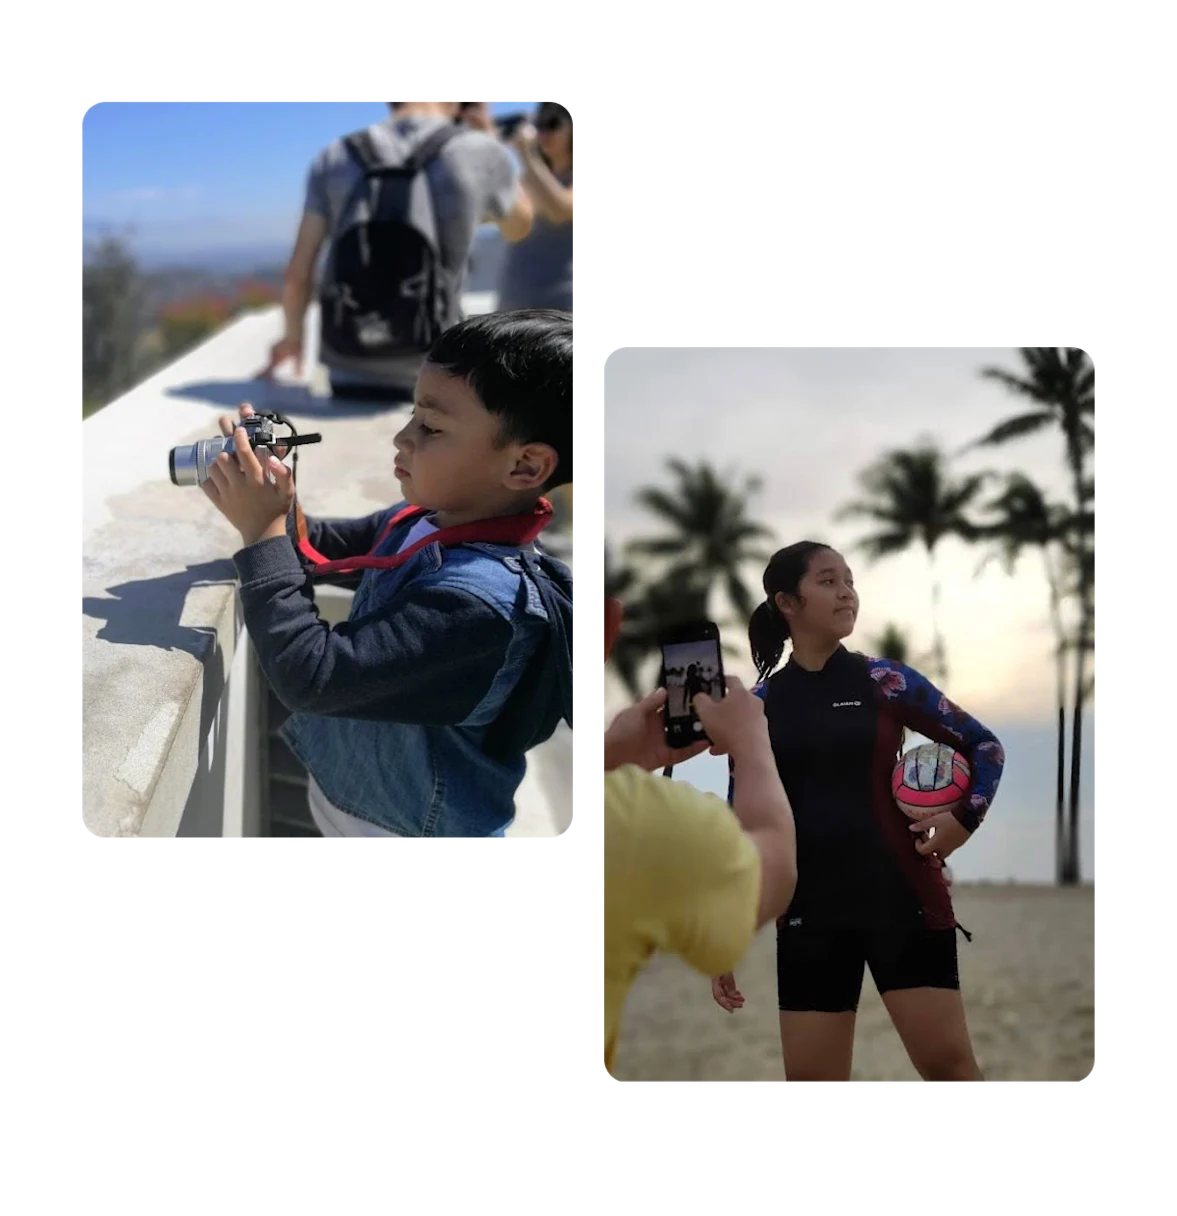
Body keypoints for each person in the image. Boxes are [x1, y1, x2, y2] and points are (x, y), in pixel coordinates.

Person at [202, 309, 575, 839]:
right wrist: (272, 484)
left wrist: (261, 532)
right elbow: (318, 551)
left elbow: (314, 675)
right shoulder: (426, 522)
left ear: (525, 467)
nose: (403, 437)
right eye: (411, 415)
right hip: (366, 812)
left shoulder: (480, 610)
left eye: (431, 426)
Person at [712, 542, 1006, 1084]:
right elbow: (743, 825)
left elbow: (984, 747)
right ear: (787, 602)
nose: (847, 591)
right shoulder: (758, 708)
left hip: (901, 900)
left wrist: (962, 822)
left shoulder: (884, 681)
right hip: (808, 914)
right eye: (827, 581)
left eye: (849, 579)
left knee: (951, 1072)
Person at [602, 595, 797, 1079]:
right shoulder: (637, 821)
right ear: (609, 626)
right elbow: (775, 869)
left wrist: (609, 764)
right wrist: (752, 746)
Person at [264, 97, 534, 403]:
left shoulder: (336, 155)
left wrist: (292, 339)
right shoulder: (479, 151)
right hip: (436, 370)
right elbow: (518, 227)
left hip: (349, 364)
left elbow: (298, 274)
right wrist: (488, 135)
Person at [497, 102, 575, 311]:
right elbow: (509, 227)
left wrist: (526, 153)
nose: (544, 132)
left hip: (562, 307)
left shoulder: (531, 169)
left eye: (552, 123)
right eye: (539, 125)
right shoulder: (528, 178)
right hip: (515, 300)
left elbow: (561, 210)